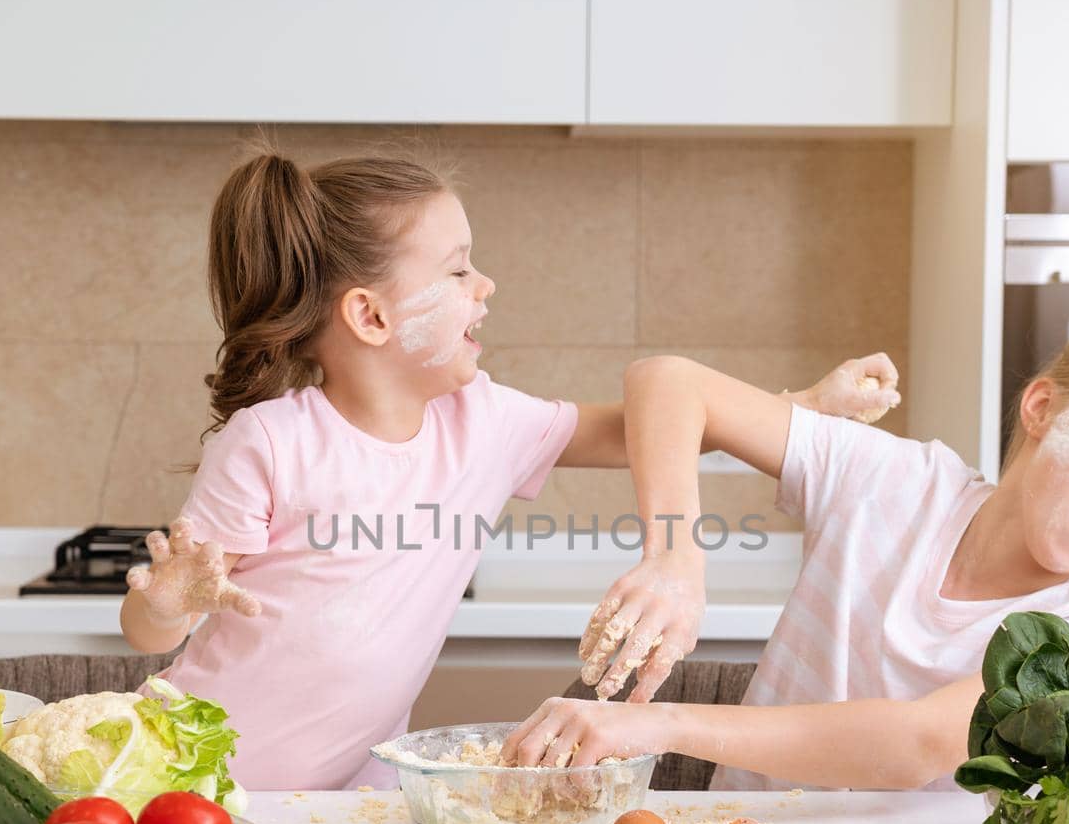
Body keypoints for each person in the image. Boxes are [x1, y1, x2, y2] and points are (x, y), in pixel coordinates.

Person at [118, 147, 899, 790]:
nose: (485, 286)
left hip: (351, 783)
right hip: (191, 784)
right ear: (372, 316)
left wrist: (800, 406)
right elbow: (153, 629)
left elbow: (642, 427)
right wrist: (162, 602)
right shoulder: (270, 443)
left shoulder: (480, 419)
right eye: (458, 271)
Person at [502, 302, 1069, 791]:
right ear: (1043, 406)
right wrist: (675, 556)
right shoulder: (901, 481)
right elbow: (667, 382)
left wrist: (659, 724)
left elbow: (920, 739)